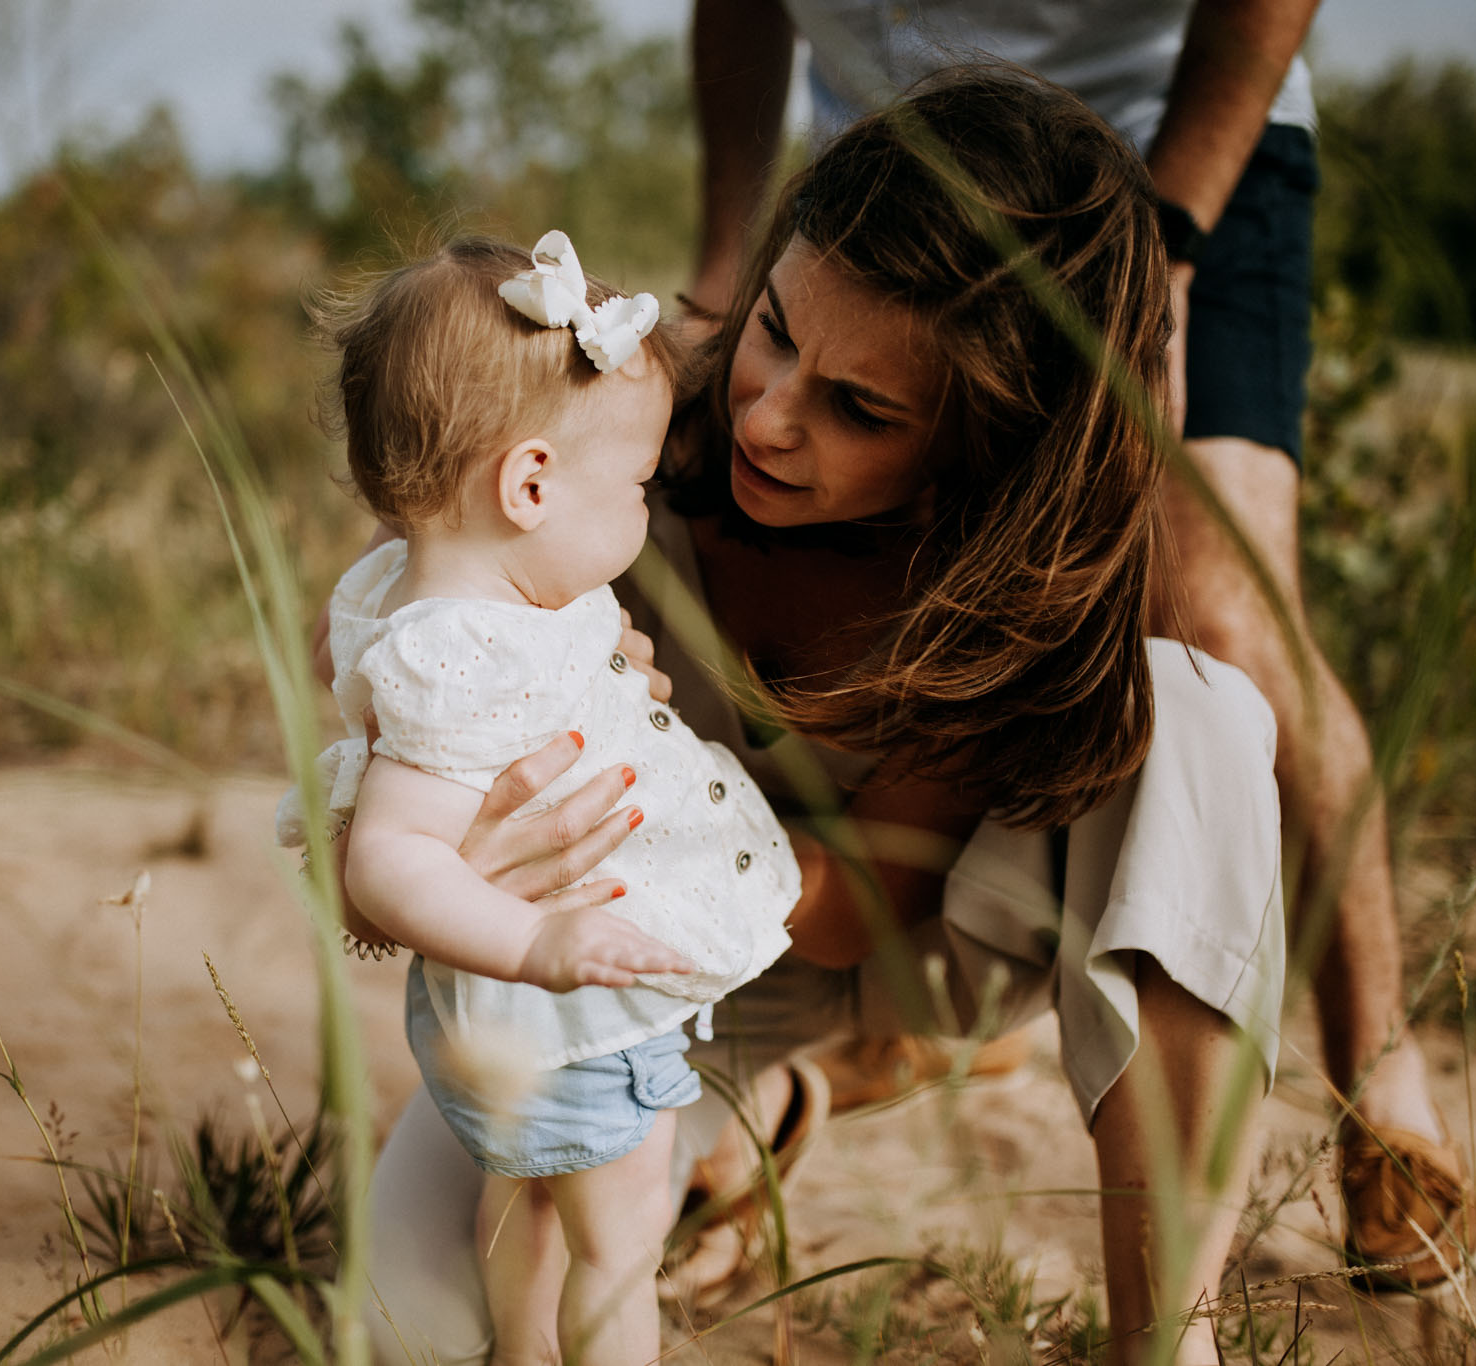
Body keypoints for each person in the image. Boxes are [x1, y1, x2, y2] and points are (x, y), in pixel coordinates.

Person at [335, 68, 1291, 1365]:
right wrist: (474, 823)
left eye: (859, 409)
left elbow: (858, 915)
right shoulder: (618, 463)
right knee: (420, 1330)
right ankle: (757, 1111)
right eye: (777, 331)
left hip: (898, 928)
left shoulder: (1008, 583)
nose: (770, 416)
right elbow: (396, 726)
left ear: (981, 446)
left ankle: (1165, 1339)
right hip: (637, 960)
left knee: (1199, 716)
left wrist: (642, 793)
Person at [685, 0, 1474, 1289]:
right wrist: (725, 259)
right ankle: (817, 1044)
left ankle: (1379, 1067)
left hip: (1176, 146)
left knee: (1214, 629)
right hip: (909, 154)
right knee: (841, 543)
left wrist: (1161, 249)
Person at [280, 230, 801, 1365]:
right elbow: (389, 859)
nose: (640, 511)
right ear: (527, 484)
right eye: (632, 485)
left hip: (532, 1015)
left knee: (519, 1213)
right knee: (620, 1240)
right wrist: (538, 942)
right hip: (566, 1018)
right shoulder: (461, 656)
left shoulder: (466, 601)